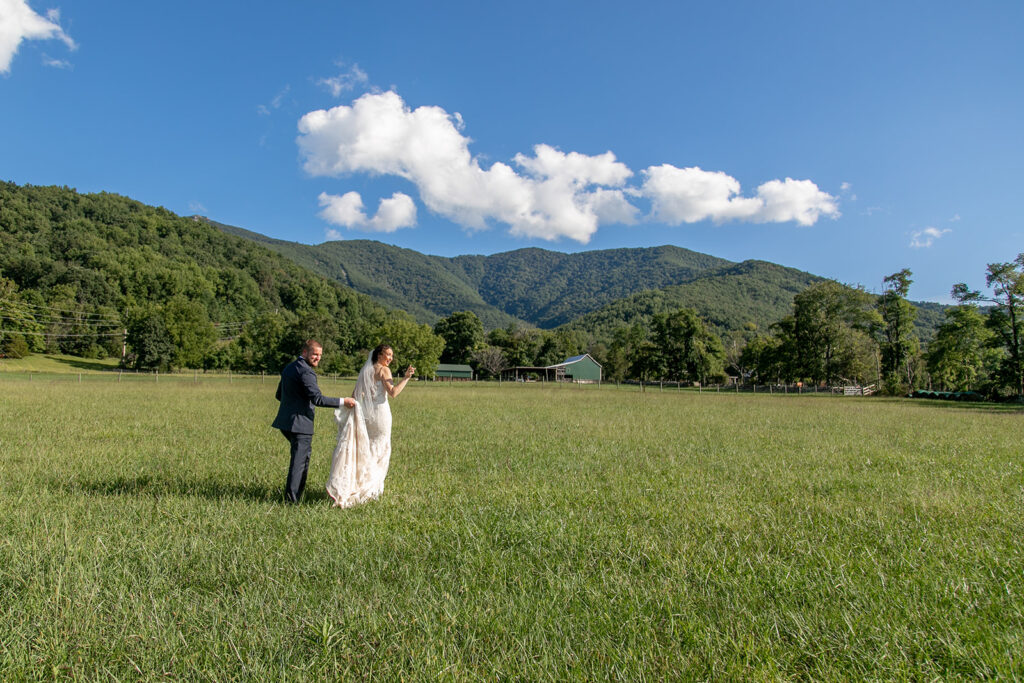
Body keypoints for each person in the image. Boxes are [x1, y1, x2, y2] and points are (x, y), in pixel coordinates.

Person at [326, 343, 415, 508]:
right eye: (388, 354)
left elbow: (354, 395)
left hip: (367, 416)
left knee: (368, 448)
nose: (390, 358)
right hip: (380, 415)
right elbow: (393, 392)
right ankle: (371, 489)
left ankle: (361, 484)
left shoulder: (366, 370)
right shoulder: (383, 370)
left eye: (392, 355)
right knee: (380, 449)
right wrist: (406, 378)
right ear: (379, 354)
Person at [272, 339, 356, 504]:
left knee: (303, 458)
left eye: (320, 355)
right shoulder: (306, 372)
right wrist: (343, 401)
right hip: (300, 424)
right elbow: (317, 399)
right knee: (299, 461)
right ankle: (291, 500)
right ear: (305, 353)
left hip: (285, 422)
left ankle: (297, 495)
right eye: (314, 354)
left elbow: (278, 395)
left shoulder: (289, 368)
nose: (317, 358)